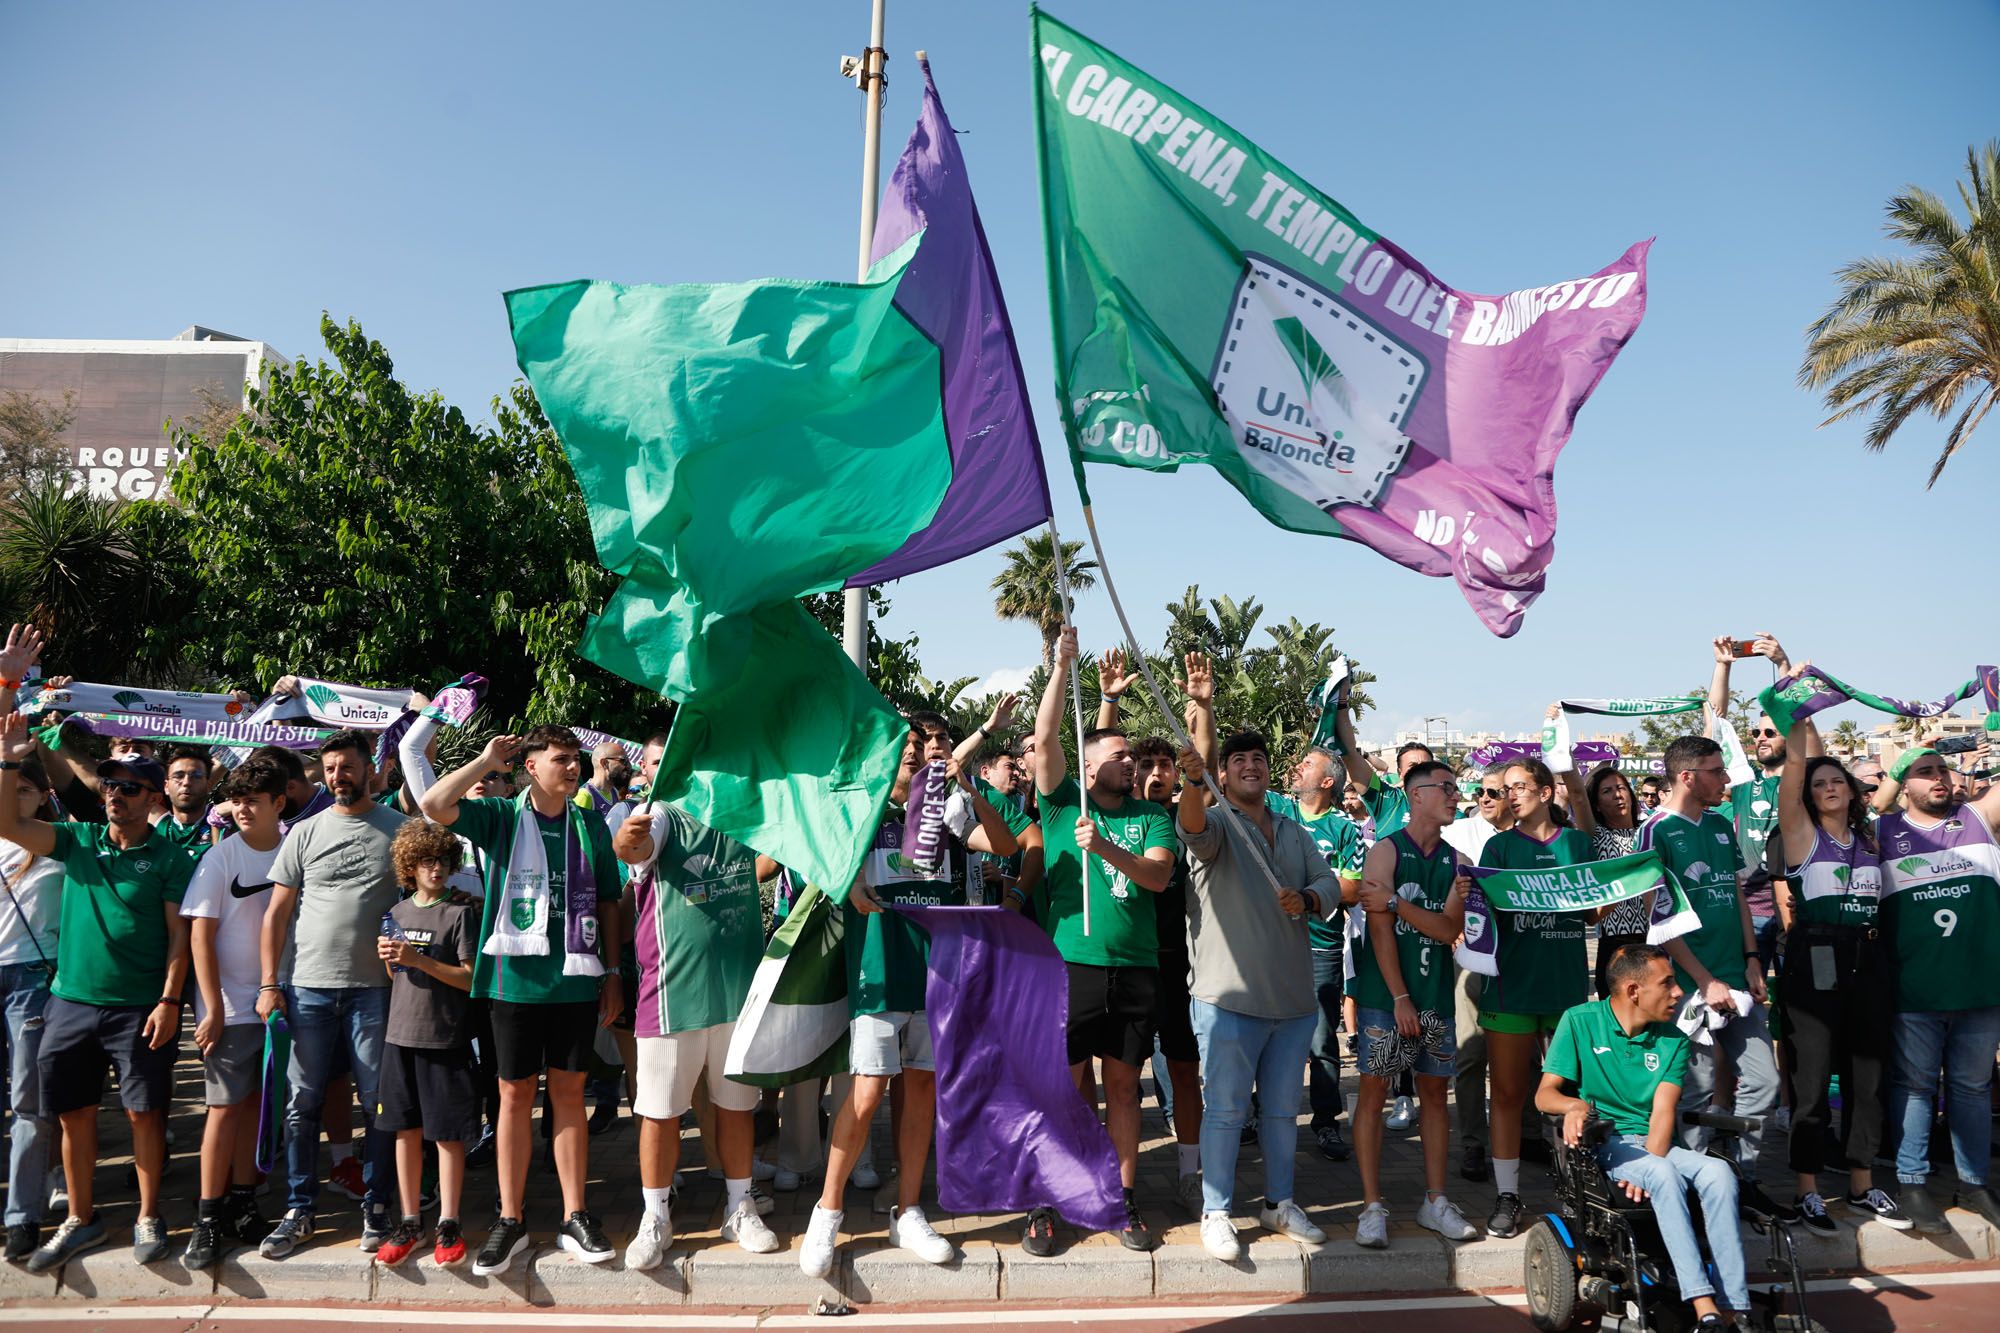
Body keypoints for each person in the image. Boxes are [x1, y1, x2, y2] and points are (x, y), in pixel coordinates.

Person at [801, 721, 1019, 1276]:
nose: (918, 755)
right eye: (909, 747)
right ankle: (826, 1212)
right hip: (878, 972)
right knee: (868, 1092)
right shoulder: (861, 808)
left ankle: (909, 1210)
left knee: (921, 1091)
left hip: (937, 972)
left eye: (925, 748)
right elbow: (818, 861)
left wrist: (968, 787)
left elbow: (1004, 846)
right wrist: (847, 884)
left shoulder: (944, 807)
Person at [419, 726, 623, 1275]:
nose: (573, 767)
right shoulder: (503, 818)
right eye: (561, 759)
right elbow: (435, 803)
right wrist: (485, 762)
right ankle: (511, 1219)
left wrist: (614, 970)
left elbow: (608, 897)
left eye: (576, 759)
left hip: (577, 978)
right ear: (531, 767)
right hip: (514, 983)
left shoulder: (590, 823)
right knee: (513, 1096)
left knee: (569, 1094)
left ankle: (574, 1215)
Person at [0, 715, 192, 1272]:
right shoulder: (77, 840)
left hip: (138, 1009)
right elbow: (8, 823)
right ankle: (81, 1219)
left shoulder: (171, 857)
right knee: (74, 1115)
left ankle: (149, 1214)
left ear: (152, 796)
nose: (115, 795)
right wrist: (11, 759)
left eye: (129, 787)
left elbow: (180, 938)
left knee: (144, 1116)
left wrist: (169, 1001)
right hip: (70, 1004)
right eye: (109, 784)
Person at [1020, 627, 1176, 1257]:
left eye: (1131, 757)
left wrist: (1105, 846)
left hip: (1135, 970)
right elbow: (1051, 732)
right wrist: (1063, 666)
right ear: (1088, 769)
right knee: (1062, 1090)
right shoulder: (1061, 804)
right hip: (1071, 970)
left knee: (1123, 1090)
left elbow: (1159, 876)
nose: (1130, 762)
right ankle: (1049, 1202)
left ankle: (1121, 1197)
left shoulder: (1150, 816)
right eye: (1117, 755)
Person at [1175, 732, 1338, 1260]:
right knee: (1223, 1111)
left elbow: (1330, 884)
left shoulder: (1294, 830)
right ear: (1222, 775)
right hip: (1226, 999)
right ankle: (1217, 1210)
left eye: (1259, 759)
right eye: (1238, 760)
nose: (1250, 766)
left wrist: (1309, 897)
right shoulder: (1217, 823)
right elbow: (1192, 827)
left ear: (1270, 771)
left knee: (1281, 1112)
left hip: (1292, 1002)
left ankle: (1280, 1202)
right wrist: (1193, 781)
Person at [612, 791, 783, 1270]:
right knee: (660, 1114)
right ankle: (655, 1217)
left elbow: (763, 866)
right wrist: (628, 839)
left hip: (736, 995)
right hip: (672, 998)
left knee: (736, 1109)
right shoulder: (666, 813)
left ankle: (739, 1207)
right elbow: (633, 850)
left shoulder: (746, 811)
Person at [1538, 945, 1749, 1331]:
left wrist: (1648, 1165)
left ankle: (1735, 1304)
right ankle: (1704, 1306)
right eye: (1667, 983)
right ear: (1634, 990)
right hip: (1604, 1144)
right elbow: (1544, 1094)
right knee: (1663, 1175)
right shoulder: (1580, 1021)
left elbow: (1663, 1112)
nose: (1678, 992)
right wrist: (1574, 1107)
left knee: (1719, 1174)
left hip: (1656, 1143)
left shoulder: (1674, 1038)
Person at [255, 729, 408, 1258]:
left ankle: (378, 1204)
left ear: (369, 770)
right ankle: (299, 1209)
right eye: (329, 768)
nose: (338, 776)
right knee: (301, 1104)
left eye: (347, 767)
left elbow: (423, 899)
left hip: (375, 990)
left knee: (378, 1104)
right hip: (307, 988)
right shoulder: (302, 832)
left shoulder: (400, 829)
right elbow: (276, 913)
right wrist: (269, 984)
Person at [1769, 719, 1906, 1233]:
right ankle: (1807, 1189)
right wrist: (1800, 717)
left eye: (1838, 781)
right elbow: (1795, 771)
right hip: (1816, 955)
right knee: (1811, 1079)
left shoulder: (1871, 840)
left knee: (1865, 1080)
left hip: (1868, 960)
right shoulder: (1800, 833)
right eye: (1819, 783)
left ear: (1852, 791)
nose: (1828, 788)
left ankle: (1862, 1183)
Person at [1096, 648, 1213, 1212]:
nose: (1156, 772)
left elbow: (1203, 767)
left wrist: (1200, 707)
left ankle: (1191, 1172)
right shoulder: (1112, 817)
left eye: (1165, 765)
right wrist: (1110, 701)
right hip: (1122, 964)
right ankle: (1112, 1180)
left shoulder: (1186, 816)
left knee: (1185, 1071)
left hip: (1178, 964)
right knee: (1119, 1080)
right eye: (1145, 765)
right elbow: (1097, 757)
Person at [1638, 736, 1779, 1179]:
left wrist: (1753, 957)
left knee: (1765, 1081)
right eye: (1716, 771)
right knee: (1694, 1091)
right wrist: (1703, 980)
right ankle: (1693, 1180)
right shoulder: (1655, 831)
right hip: (1685, 986)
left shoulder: (1720, 825)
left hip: (1736, 976)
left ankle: (1743, 1175)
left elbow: (1735, 891)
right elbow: (1657, 918)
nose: (1725, 779)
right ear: (1687, 777)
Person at [1350, 759, 1477, 1248]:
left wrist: (1400, 905)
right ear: (1415, 795)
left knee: (1433, 1097)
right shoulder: (1385, 851)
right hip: (1388, 998)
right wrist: (1400, 996)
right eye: (1444, 787)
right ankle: (1371, 1206)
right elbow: (1378, 931)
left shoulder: (1457, 860)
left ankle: (1436, 1201)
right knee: (1374, 1093)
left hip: (1435, 996)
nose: (1453, 795)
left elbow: (1448, 930)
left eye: (1454, 787)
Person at [1873, 745, 2000, 1233]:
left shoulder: (1976, 818)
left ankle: (1973, 1182)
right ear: (1902, 783)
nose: (1938, 779)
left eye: (1941, 769)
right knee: (1917, 1088)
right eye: (1923, 773)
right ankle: (1912, 1181)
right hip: (1916, 990)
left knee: (1972, 1088)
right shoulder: (1881, 832)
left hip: (1980, 988)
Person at [1473, 759, 1595, 1239]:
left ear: (1547, 792)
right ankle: (1508, 1194)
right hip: (1512, 987)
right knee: (1506, 1094)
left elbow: (1591, 914)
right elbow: (1483, 918)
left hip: (1566, 989)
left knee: (1574, 1097)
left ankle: (1579, 1190)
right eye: (1505, 789)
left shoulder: (1578, 844)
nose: (1510, 795)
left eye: (1519, 787)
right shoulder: (1497, 846)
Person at [179, 760, 290, 1270]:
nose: (243, 809)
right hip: (227, 1008)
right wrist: (213, 1006)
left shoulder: (295, 850)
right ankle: (207, 1217)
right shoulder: (220, 857)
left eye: (254, 800)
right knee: (222, 1111)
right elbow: (199, 934)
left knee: (253, 1108)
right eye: (237, 800)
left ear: (278, 804)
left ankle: (244, 1202)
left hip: (277, 1005)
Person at [370, 820, 481, 1269]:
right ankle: (411, 1219)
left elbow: (470, 976)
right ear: (409, 867)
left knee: (448, 1134)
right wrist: (393, 962)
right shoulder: (396, 913)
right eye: (426, 862)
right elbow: (394, 977)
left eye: (442, 861)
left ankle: (449, 1221)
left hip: (444, 1036)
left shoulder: (458, 913)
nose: (436, 869)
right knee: (405, 1130)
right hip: (400, 1036)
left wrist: (418, 960)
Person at [1270, 745, 1364, 1166]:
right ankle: (1261, 1114)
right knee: (1266, 1034)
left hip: (1321, 947)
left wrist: (1307, 896)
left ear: (1327, 782)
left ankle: (1326, 1121)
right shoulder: (1275, 808)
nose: (1297, 767)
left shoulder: (1345, 828)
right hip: (1268, 944)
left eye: (1306, 764)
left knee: (1322, 1039)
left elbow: (1352, 888)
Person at [0, 754, 62, 1261]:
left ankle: (23, 1214)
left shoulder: (58, 849)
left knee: (29, 1103)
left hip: (32, 981)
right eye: (8, 787)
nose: (16, 796)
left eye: (26, 789)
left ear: (43, 795)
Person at [1442, 766, 1517, 1185]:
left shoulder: (1532, 839)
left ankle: (1525, 1136)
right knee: (1470, 1052)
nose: (1485, 798)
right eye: (1480, 791)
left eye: (1495, 792)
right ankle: (1473, 1142)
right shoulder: (1460, 833)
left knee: (1524, 1056)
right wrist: (1453, 928)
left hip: (1520, 961)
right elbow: (1444, 889)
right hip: (1470, 961)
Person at [1707, 634, 1794, 976]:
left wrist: (1782, 666)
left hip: (1793, 909)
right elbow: (1715, 725)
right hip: (1751, 914)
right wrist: (1721, 667)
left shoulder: (1804, 780)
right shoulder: (1743, 782)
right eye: (1757, 734)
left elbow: (1798, 717)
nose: (1761, 739)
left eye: (1770, 733)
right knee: (1749, 997)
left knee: (1798, 1003)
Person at [1572, 765, 1651, 997]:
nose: (1617, 794)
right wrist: (1567, 762)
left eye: (1621, 788)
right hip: (1616, 944)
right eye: (1607, 791)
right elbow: (1577, 795)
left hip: (1656, 940)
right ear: (1595, 804)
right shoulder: (1597, 835)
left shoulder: (1651, 831)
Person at [157, 748, 217, 858]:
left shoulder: (224, 821)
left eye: (196, 776)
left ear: (209, 785)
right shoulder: (156, 827)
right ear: (166, 787)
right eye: (178, 776)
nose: (186, 783)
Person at [577, 741, 632, 820]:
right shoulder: (585, 795)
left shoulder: (614, 792)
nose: (628, 766)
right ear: (605, 763)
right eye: (623, 761)